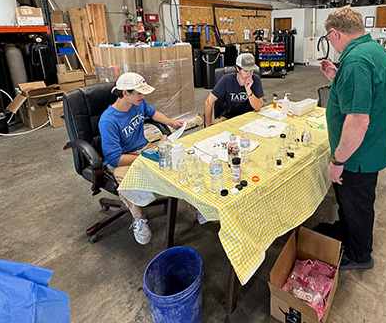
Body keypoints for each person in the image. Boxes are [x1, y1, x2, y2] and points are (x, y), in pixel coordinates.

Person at [318, 6, 386, 270]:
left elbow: (358, 120)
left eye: (329, 38)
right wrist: (337, 77)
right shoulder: (375, 52)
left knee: (357, 204)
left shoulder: (355, 62)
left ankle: (359, 254)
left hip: (357, 155)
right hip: (372, 147)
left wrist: (337, 160)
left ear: (334, 33)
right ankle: (345, 231)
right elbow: (368, 92)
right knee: (350, 202)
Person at [98, 72, 184, 245]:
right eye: (139, 93)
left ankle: (195, 205)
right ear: (125, 93)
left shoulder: (138, 103)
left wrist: (172, 123)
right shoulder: (108, 121)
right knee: (129, 184)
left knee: (177, 162)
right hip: (123, 158)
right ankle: (139, 218)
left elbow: (152, 113)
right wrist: (142, 159)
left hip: (143, 149)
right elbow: (114, 158)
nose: (143, 96)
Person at [204, 53, 264, 127]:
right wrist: (207, 124)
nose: (249, 74)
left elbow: (258, 108)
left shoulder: (256, 80)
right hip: (228, 117)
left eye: (251, 70)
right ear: (237, 68)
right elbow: (209, 101)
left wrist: (248, 90)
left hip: (248, 117)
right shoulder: (226, 80)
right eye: (246, 71)